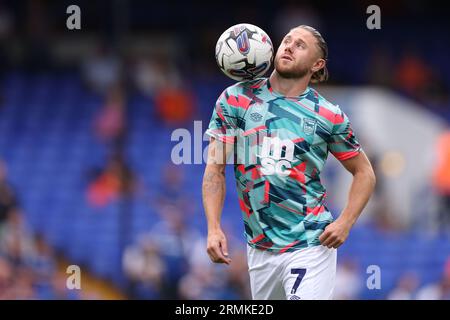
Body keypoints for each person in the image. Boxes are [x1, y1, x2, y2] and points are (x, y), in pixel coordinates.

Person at [202, 25, 376, 300]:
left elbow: (364, 173)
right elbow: (215, 170)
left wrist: (345, 221)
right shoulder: (235, 99)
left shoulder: (328, 116)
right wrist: (213, 228)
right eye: (287, 40)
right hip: (260, 248)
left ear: (317, 64)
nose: (289, 46)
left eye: (300, 45)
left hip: (310, 242)